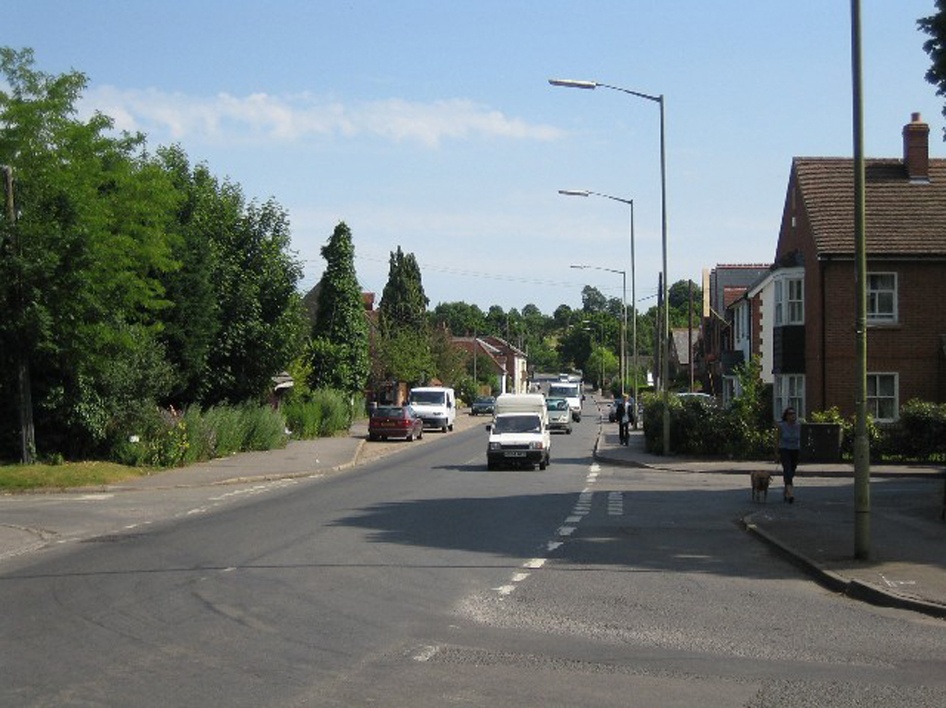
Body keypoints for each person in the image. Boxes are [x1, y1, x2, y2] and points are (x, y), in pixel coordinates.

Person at [775, 407, 802, 503]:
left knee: (792, 471)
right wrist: (777, 452)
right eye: (790, 414)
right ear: (786, 416)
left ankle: (786, 489)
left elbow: (801, 439)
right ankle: (790, 494)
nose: (792, 415)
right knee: (787, 470)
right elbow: (778, 439)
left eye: (793, 413)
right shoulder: (781, 426)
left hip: (795, 450)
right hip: (784, 449)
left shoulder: (798, 426)